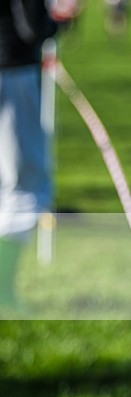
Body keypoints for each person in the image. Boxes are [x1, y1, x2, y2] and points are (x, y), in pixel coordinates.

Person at [0, 0, 58, 308]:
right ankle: (3, 291)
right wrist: (55, 23)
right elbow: (32, 27)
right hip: (12, 74)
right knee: (24, 183)